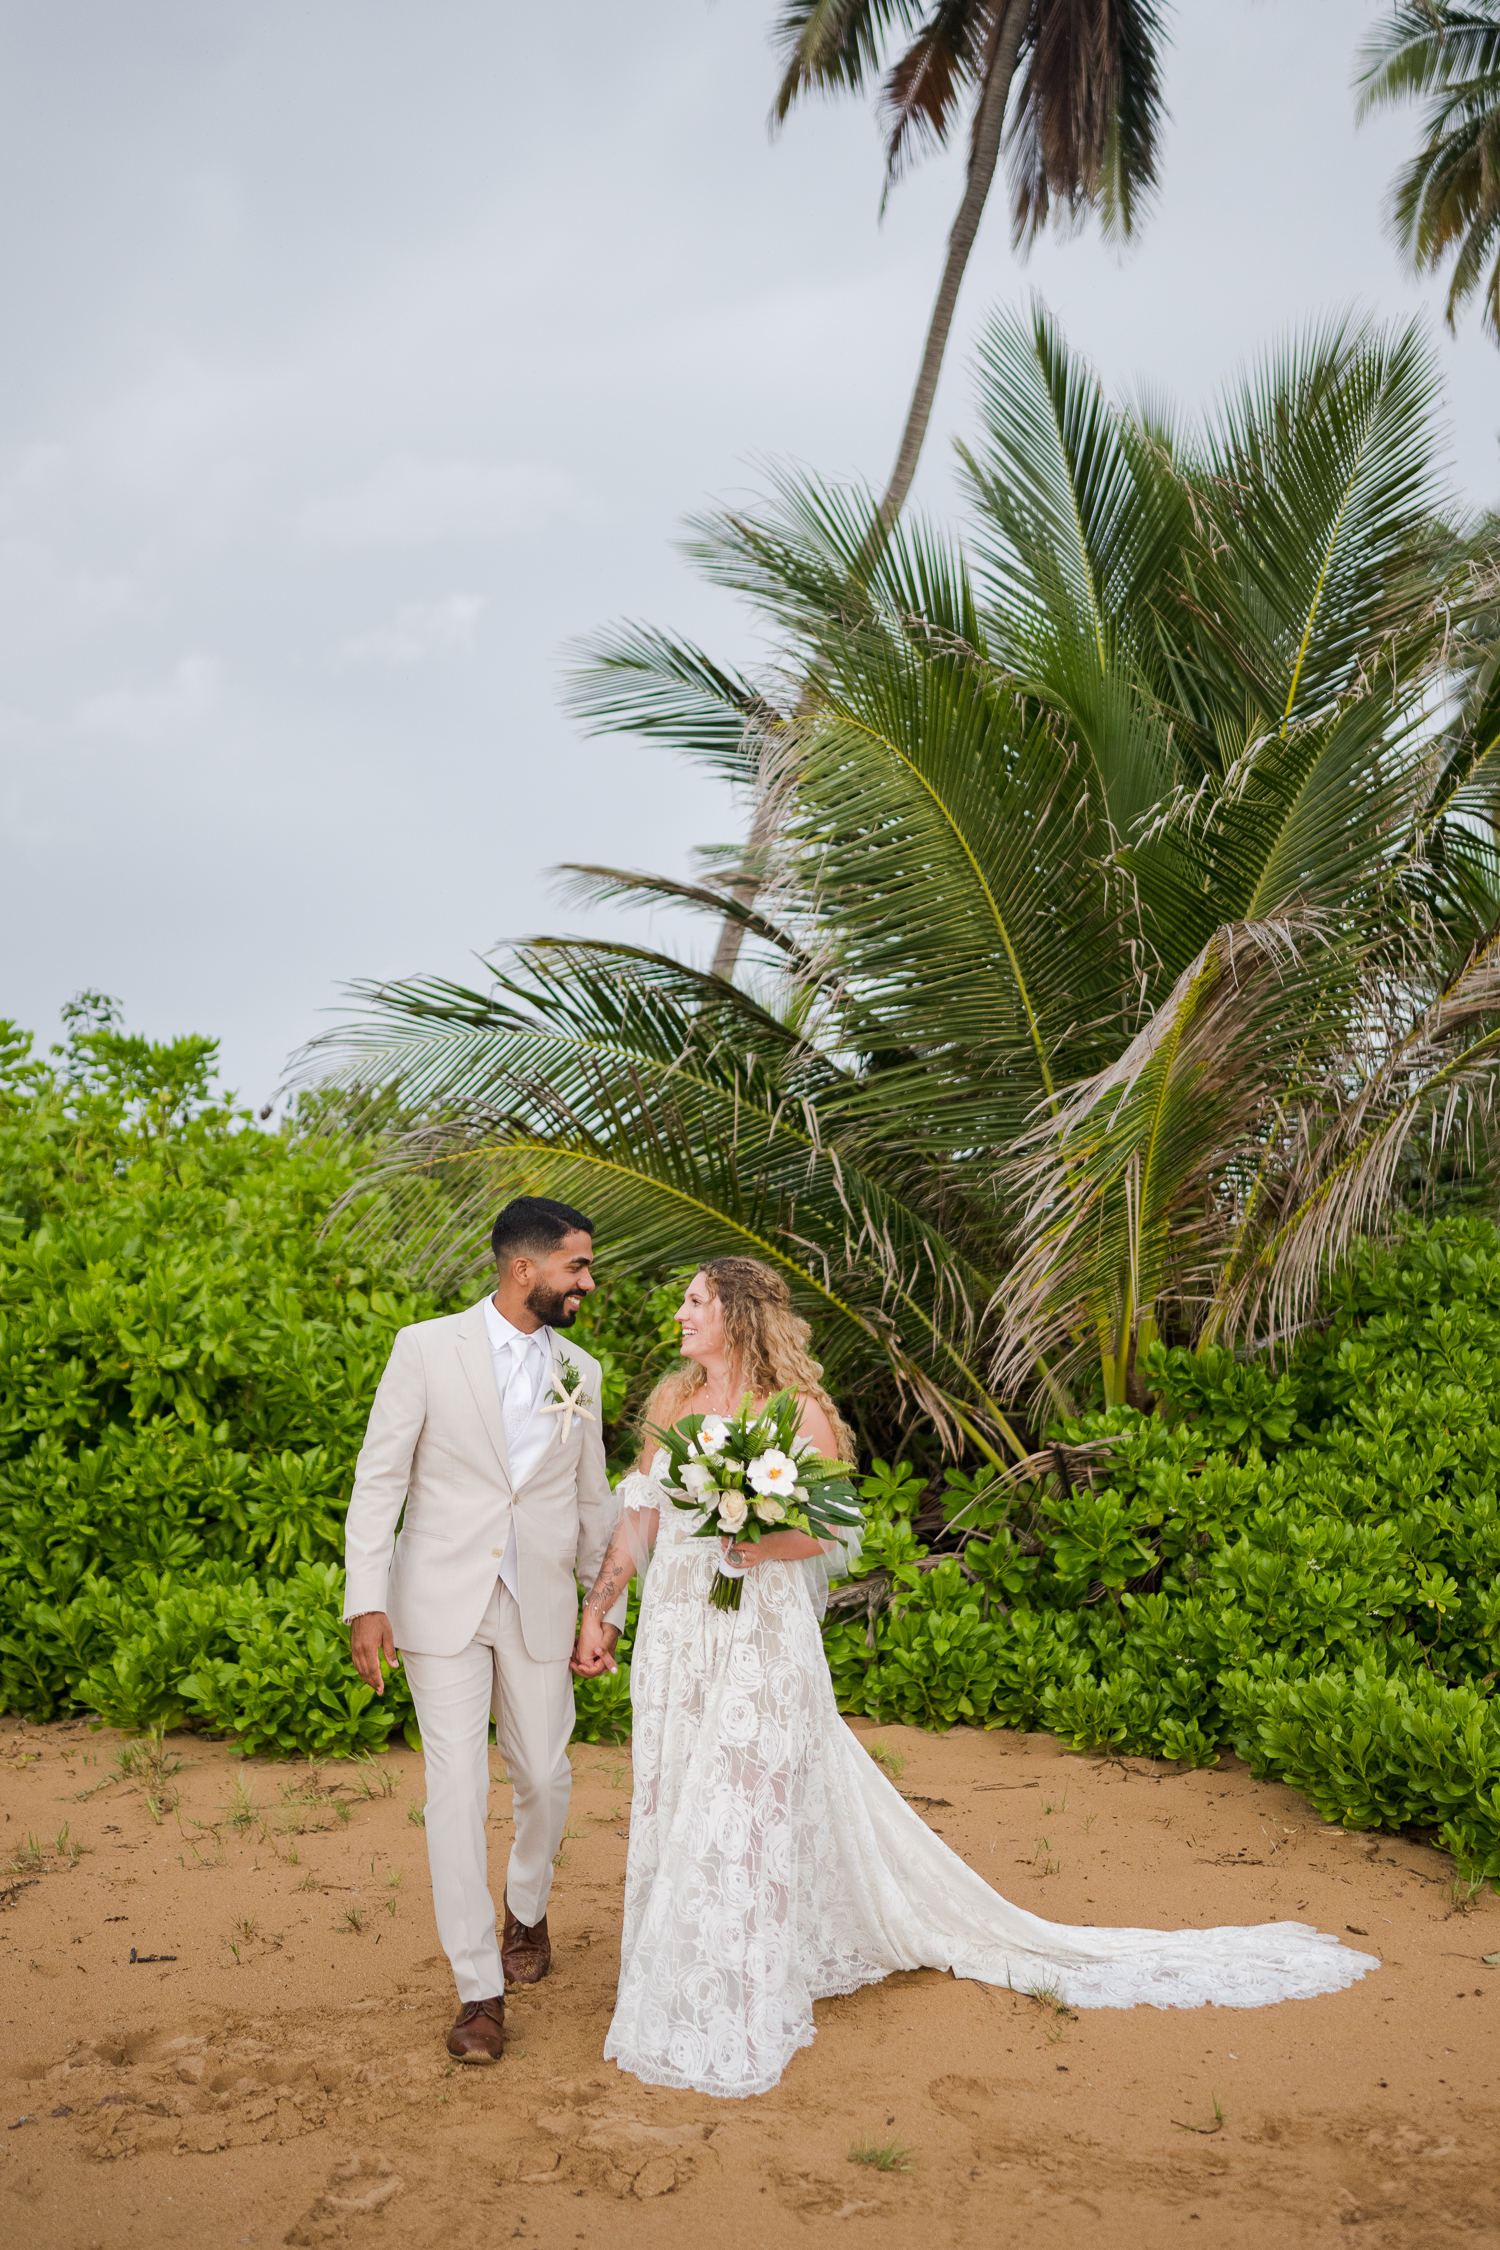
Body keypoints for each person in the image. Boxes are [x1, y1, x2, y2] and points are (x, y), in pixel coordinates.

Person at [572, 1255, 1378, 2101]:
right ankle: (689, 1949)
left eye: (694, 1301)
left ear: (736, 1313)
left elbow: (832, 1530)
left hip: (758, 1636)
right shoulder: (671, 1404)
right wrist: (601, 1610)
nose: (680, 1315)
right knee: (679, 1791)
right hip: (677, 1637)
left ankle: (739, 1980)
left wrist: (756, 1540)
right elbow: (639, 1525)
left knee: (745, 1796)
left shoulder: (796, 1410)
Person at [344, 1194, 626, 2065]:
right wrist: (368, 1598)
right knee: (456, 1789)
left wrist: (601, 1611)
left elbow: (591, 1501)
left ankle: (527, 1908)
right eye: (576, 1265)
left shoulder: (581, 1369)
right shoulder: (425, 1348)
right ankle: (480, 1989)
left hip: (537, 1598)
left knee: (544, 1773)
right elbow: (380, 1476)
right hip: (438, 1600)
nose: (587, 1279)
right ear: (523, 1268)